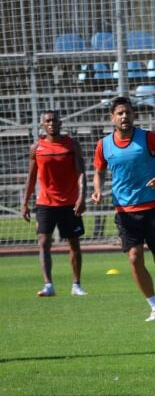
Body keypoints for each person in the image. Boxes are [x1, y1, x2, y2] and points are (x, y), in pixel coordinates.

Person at [91, 97, 155, 321]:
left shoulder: (147, 138)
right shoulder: (104, 145)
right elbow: (99, 171)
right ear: (112, 118)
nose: (124, 117)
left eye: (127, 112)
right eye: (119, 113)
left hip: (153, 208)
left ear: (133, 115)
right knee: (134, 257)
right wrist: (98, 190)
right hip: (124, 211)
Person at [22, 110, 87, 297]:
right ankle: (48, 285)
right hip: (45, 203)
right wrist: (25, 203)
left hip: (69, 202)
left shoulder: (72, 145)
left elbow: (81, 172)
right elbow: (31, 176)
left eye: (55, 120)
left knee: (74, 243)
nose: (52, 123)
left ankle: (76, 285)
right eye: (48, 121)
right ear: (42, 124)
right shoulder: (36, 148)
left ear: (61, 123)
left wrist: (82, 196)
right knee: (43, 242)